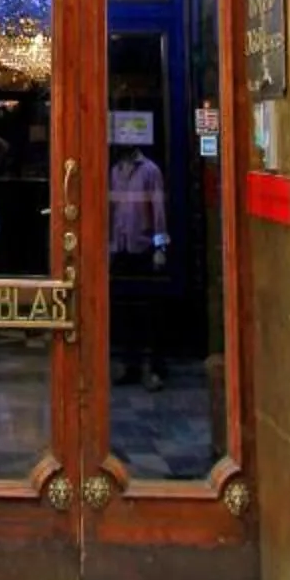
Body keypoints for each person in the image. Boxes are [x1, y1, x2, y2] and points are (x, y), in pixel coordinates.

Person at [109, 135, 169, 390]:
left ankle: (153, 368)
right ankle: (129, 365)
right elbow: (112, 211)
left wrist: (160, 246)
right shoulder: (114, 171)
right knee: (124, 312)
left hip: (142, 247)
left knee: (149, 313)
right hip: (121, 248)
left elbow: (158, 210)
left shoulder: (150, 171)